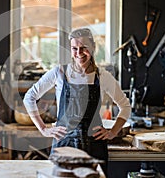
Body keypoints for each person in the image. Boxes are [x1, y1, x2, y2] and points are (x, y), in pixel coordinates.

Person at [23, 27, 131, 175]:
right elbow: (29, 97)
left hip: (94, 145)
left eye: (84, 48)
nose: (79, 53)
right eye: (75, 48)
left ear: (93, 48)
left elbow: (125, 106)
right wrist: (43, 129)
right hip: (64, 144)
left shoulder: (102, 76)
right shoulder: (59, 73)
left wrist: (113, 132)